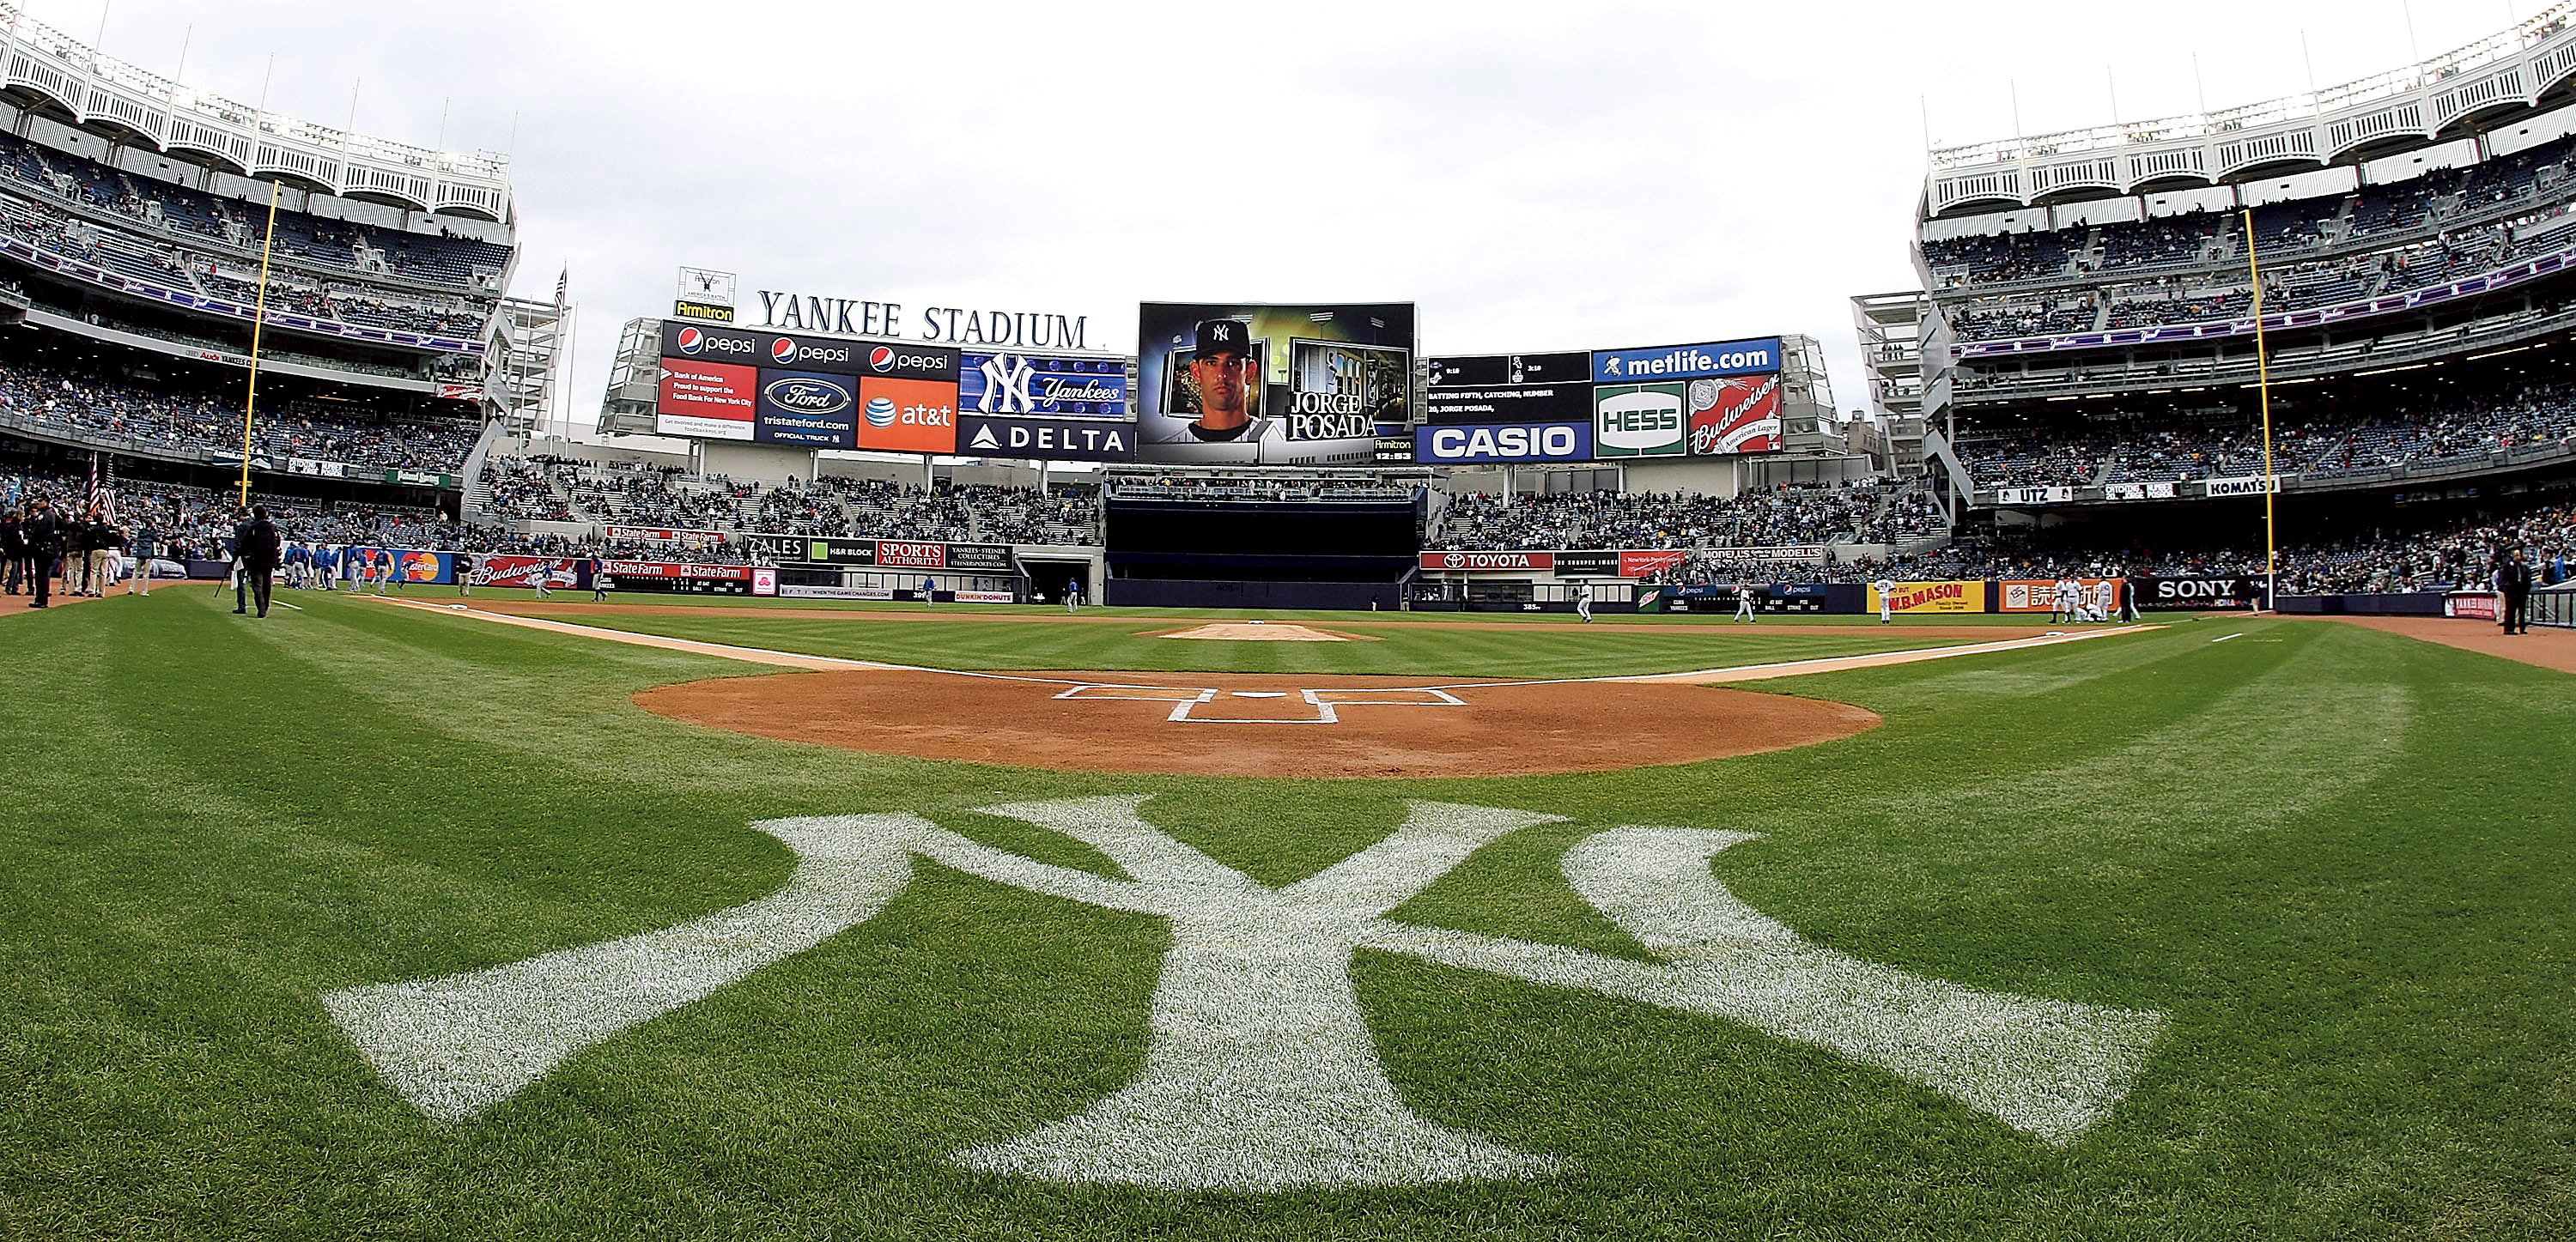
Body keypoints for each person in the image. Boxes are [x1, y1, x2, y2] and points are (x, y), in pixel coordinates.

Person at [1185, 318, 1259, 442]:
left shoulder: (1280, 448)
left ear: (1250, 372)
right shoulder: (1163, 452)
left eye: (1233, 363)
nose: (1222, 374)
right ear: (1196, 372)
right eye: (1211, 363)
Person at [234, 505, 282, 617]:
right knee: (267, 586)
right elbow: (277, 543)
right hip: (269, 561)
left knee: (257, 586)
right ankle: (265, 607)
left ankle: (261, 609)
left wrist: (243, 556)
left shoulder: (253, 528)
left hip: (256, 561)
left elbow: (245, 544)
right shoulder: (272, 528)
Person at [21, 496, 59, 608]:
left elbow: (39, 531)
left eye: (41, 501)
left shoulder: (45, 515)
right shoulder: (48, 514)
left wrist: (31, 541)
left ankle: (41, 599)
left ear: (46, 502)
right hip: (45, 548)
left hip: (42, 549)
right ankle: (41, 598)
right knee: (42, 575)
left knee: (41, 575)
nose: (39, 503)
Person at [126, 522, 158, 597]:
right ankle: (144, 591)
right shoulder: (151, 534)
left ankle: (131, 589)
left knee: (136, 572)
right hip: (147, 555)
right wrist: (154, 530)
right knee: (146, 574)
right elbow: (157, 538)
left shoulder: (141, 532)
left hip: (140, 554)